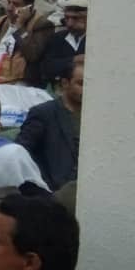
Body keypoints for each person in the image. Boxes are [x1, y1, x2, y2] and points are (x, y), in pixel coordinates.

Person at [17, 61, 85, 191]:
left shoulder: (97, 115)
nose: (87, 89)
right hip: (54, 190)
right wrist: (43, 183)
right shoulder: (44, 113)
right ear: (65, 83)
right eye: (81, 84)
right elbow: (22, 150)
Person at [40, 0, 87, 83]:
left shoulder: (94, 40)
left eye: (75, 18)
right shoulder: (57, 38)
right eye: (67, 18)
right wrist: (74, 59)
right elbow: (47, 67)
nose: (69, 24)